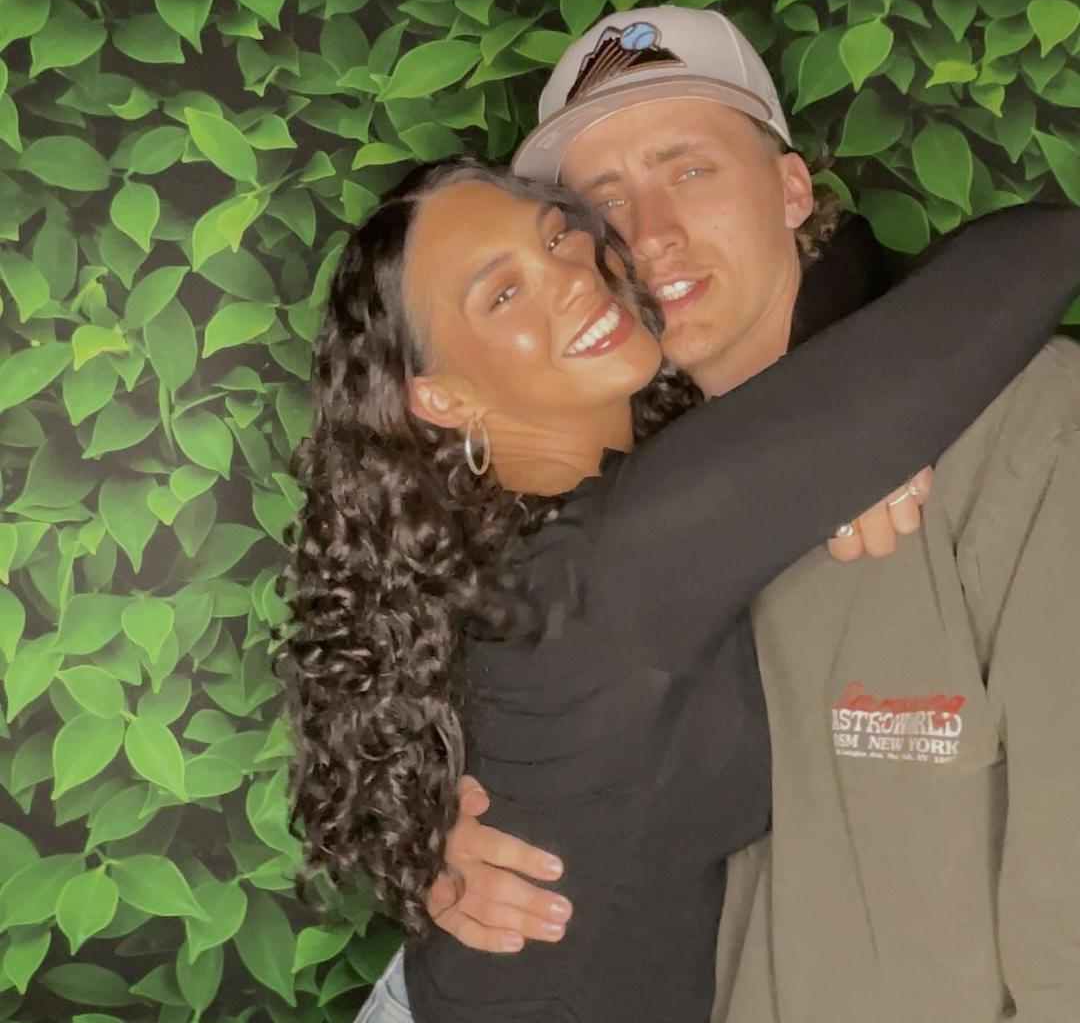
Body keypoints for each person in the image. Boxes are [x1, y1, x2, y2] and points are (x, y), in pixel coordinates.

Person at [278, 147, 1079, 1023]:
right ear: (441, 398)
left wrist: (865, 448)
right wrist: (872, 438)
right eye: (502, 294)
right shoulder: (608, 562)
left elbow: (851, 310)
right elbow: (1038, 248)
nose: (570, 278)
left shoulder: (517, 542)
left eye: (558, 238)